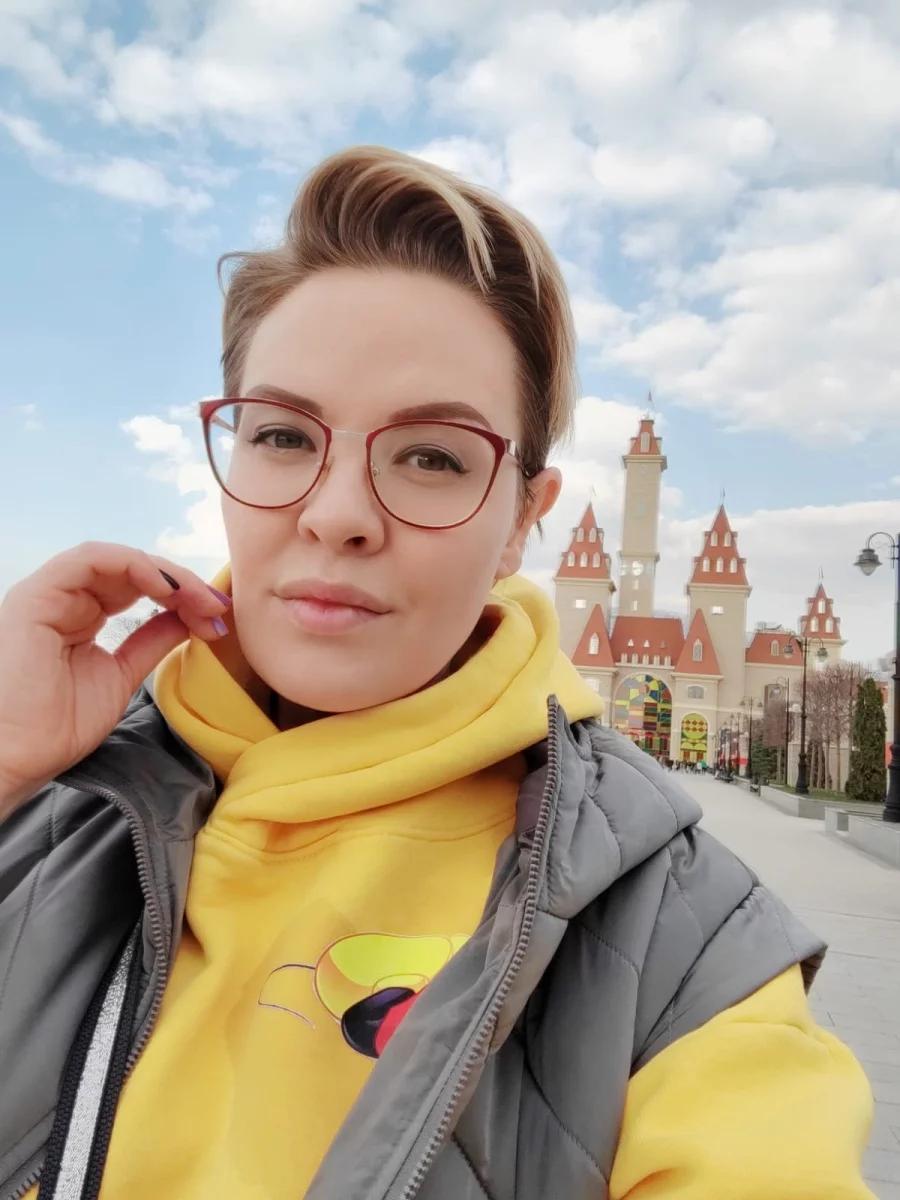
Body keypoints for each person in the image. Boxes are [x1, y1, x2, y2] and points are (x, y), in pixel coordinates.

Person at [0, 146, 875, 1200]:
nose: (337, 514)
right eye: (282, 434)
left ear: (522, 522)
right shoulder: (59, 796)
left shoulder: (679, 947)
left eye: (432, 457)